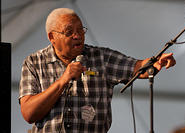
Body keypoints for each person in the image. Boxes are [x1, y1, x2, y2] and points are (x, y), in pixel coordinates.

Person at [19, 8, 176, 133]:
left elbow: (136, 67)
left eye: (81, 30)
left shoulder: (101, 58)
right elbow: (29, 113)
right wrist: (63, 80)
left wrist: (155, 62)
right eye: (69, 32)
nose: (77, 36)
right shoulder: (34, 62)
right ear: (52, 37)